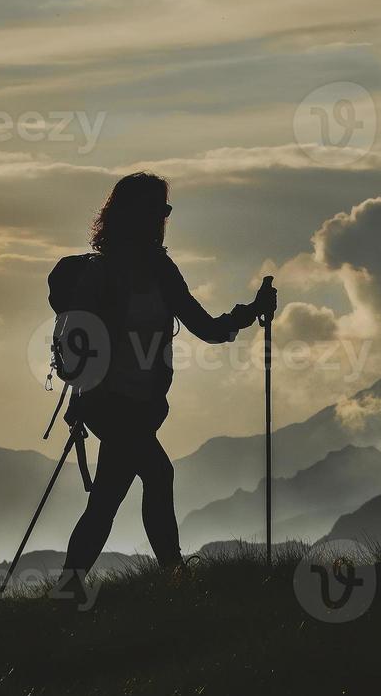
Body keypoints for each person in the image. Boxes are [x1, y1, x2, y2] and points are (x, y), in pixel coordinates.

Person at [56, 172, 275, 599]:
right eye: (157, 209)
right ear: (131, 214)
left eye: (165, 209)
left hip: (139, 404)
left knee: (108, 497)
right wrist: (80, 400)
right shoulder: (103, 274)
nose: (163, 217)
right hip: (110, 403)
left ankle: (70, 589)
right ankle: (174, 576)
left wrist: (248, 313)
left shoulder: (160, 269)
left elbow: (206, 328)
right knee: (158, 473)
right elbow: (80, 339)